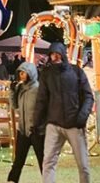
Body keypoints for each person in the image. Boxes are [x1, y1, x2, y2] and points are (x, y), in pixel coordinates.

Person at [35, 42, 93, 183]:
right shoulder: (46, 74)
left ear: (63, 54)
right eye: (52, 54)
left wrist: (82, 117)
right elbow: (41, 99)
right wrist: (36, 122)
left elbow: (88, 96)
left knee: (83, 164)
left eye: (57, 53)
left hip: (74, 123)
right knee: (48, 161)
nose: (54, 57)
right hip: (53, 123)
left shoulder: (76, 71)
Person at [8, 61, 44, 183]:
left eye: (24, 73)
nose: (22, 75)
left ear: (31, 73)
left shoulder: (39, 89)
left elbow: (44, 109)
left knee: (43, 161)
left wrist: (39, 125)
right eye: (20, 73)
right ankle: (12, 180)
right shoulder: (20, 88)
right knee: (18, 160)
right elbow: (14, 106)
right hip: (23, 130)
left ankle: (48, 180)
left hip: (36, 131)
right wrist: (12, 91)